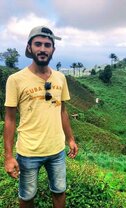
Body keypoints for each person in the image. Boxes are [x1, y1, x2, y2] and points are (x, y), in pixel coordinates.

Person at [3, 26, 78, 208]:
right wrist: (8, 156)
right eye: (38, 44)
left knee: (60, 191)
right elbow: (10, 119)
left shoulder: (60, 78)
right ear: (29, 48)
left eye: (47, 45)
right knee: (27, 197)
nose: (42, 49)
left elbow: (62, 111)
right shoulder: (16, 79)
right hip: (29, 151)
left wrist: (70, 139)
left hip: (57, 151)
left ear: (53, 49)